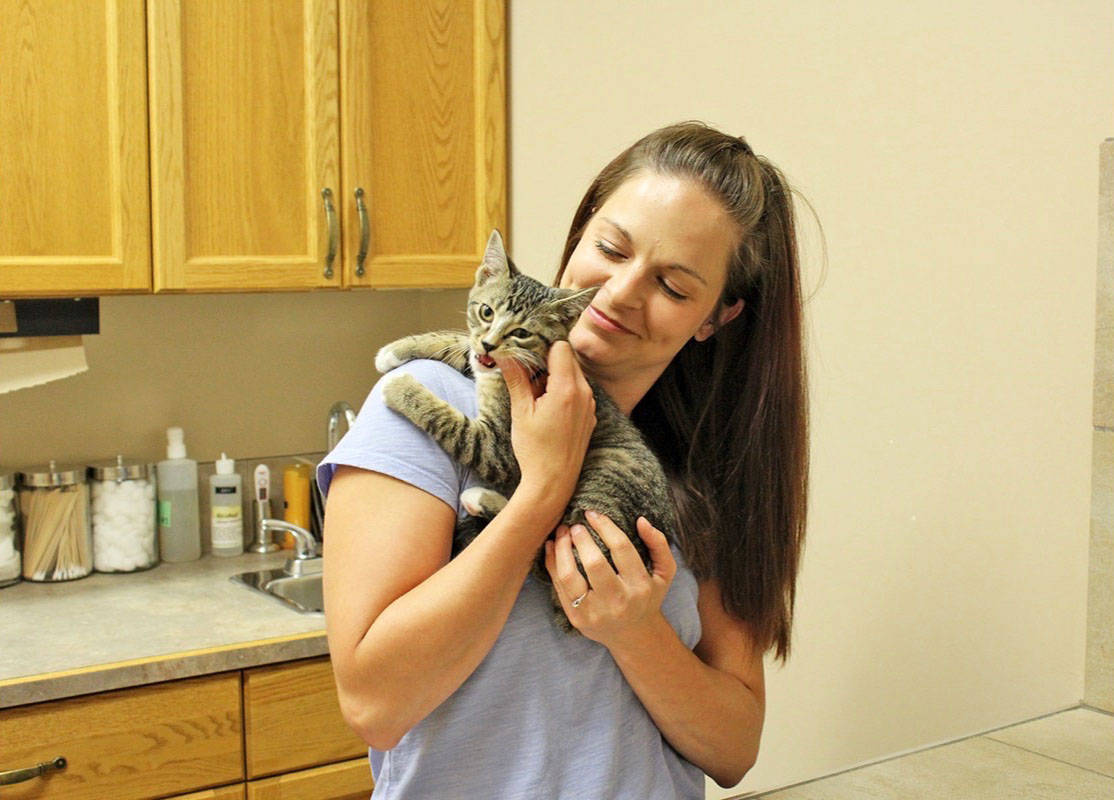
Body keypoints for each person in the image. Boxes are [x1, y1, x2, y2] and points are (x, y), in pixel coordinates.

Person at [318, 121, 808, 798]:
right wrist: (541, 493)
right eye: (610, 248)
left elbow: (732, 748)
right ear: (579, 234)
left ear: (715, 319)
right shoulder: (430, 405)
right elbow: (375, 704)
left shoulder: (701, 465)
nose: (621, 292)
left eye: (672, 285)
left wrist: (636, 632)